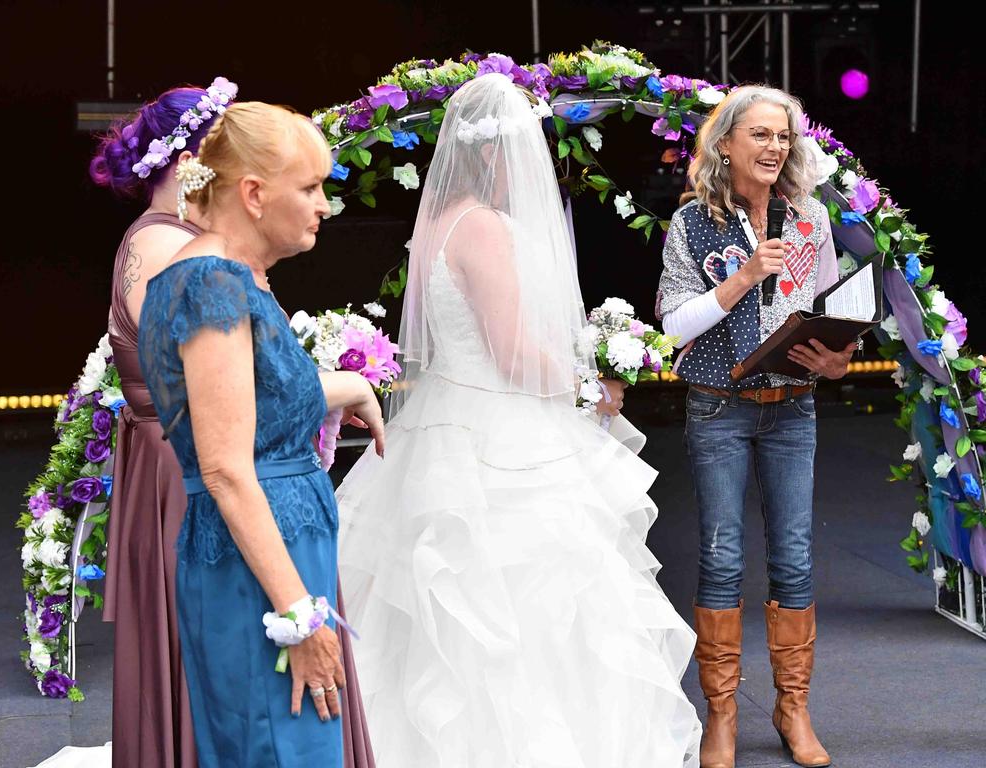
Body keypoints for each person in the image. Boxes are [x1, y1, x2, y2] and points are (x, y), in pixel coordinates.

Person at [334, 73, 702, 767]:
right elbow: (511, 350)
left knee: (440, 597)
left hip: (443, 415)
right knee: (524, 602)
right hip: (500, 429)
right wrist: (590, 386)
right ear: (502, 151)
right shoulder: (484, 227)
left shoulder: (439, 219)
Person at [137, 101, 385, 767]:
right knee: (281, 749)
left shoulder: (224, 277)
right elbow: (224, 467)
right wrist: (300, 617)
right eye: (309, 188)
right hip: (260, 574)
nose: (324, 206)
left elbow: (251, 404)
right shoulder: (211, 284)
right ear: (252, 194)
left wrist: (344, 388)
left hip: (273, 556)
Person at [657, 85, 855, 768]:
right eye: (761, 135)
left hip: (794, 408)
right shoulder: (692, 223)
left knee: (795, 557)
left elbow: (832, 308)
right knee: (719, 558)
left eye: (783, 137)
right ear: (727, 144)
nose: (775, 147)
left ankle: (792, 708)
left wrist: (837, 360)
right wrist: (743, 276)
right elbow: (673, 325)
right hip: (718, 405)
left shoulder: (811, 220)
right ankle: (722, 717)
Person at [90, 77, 236, 768]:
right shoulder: (158, 247)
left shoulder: (181, 238)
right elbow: (185, 363)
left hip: (184, 455)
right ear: (187, 161)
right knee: (192, 631)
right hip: (178, 464)